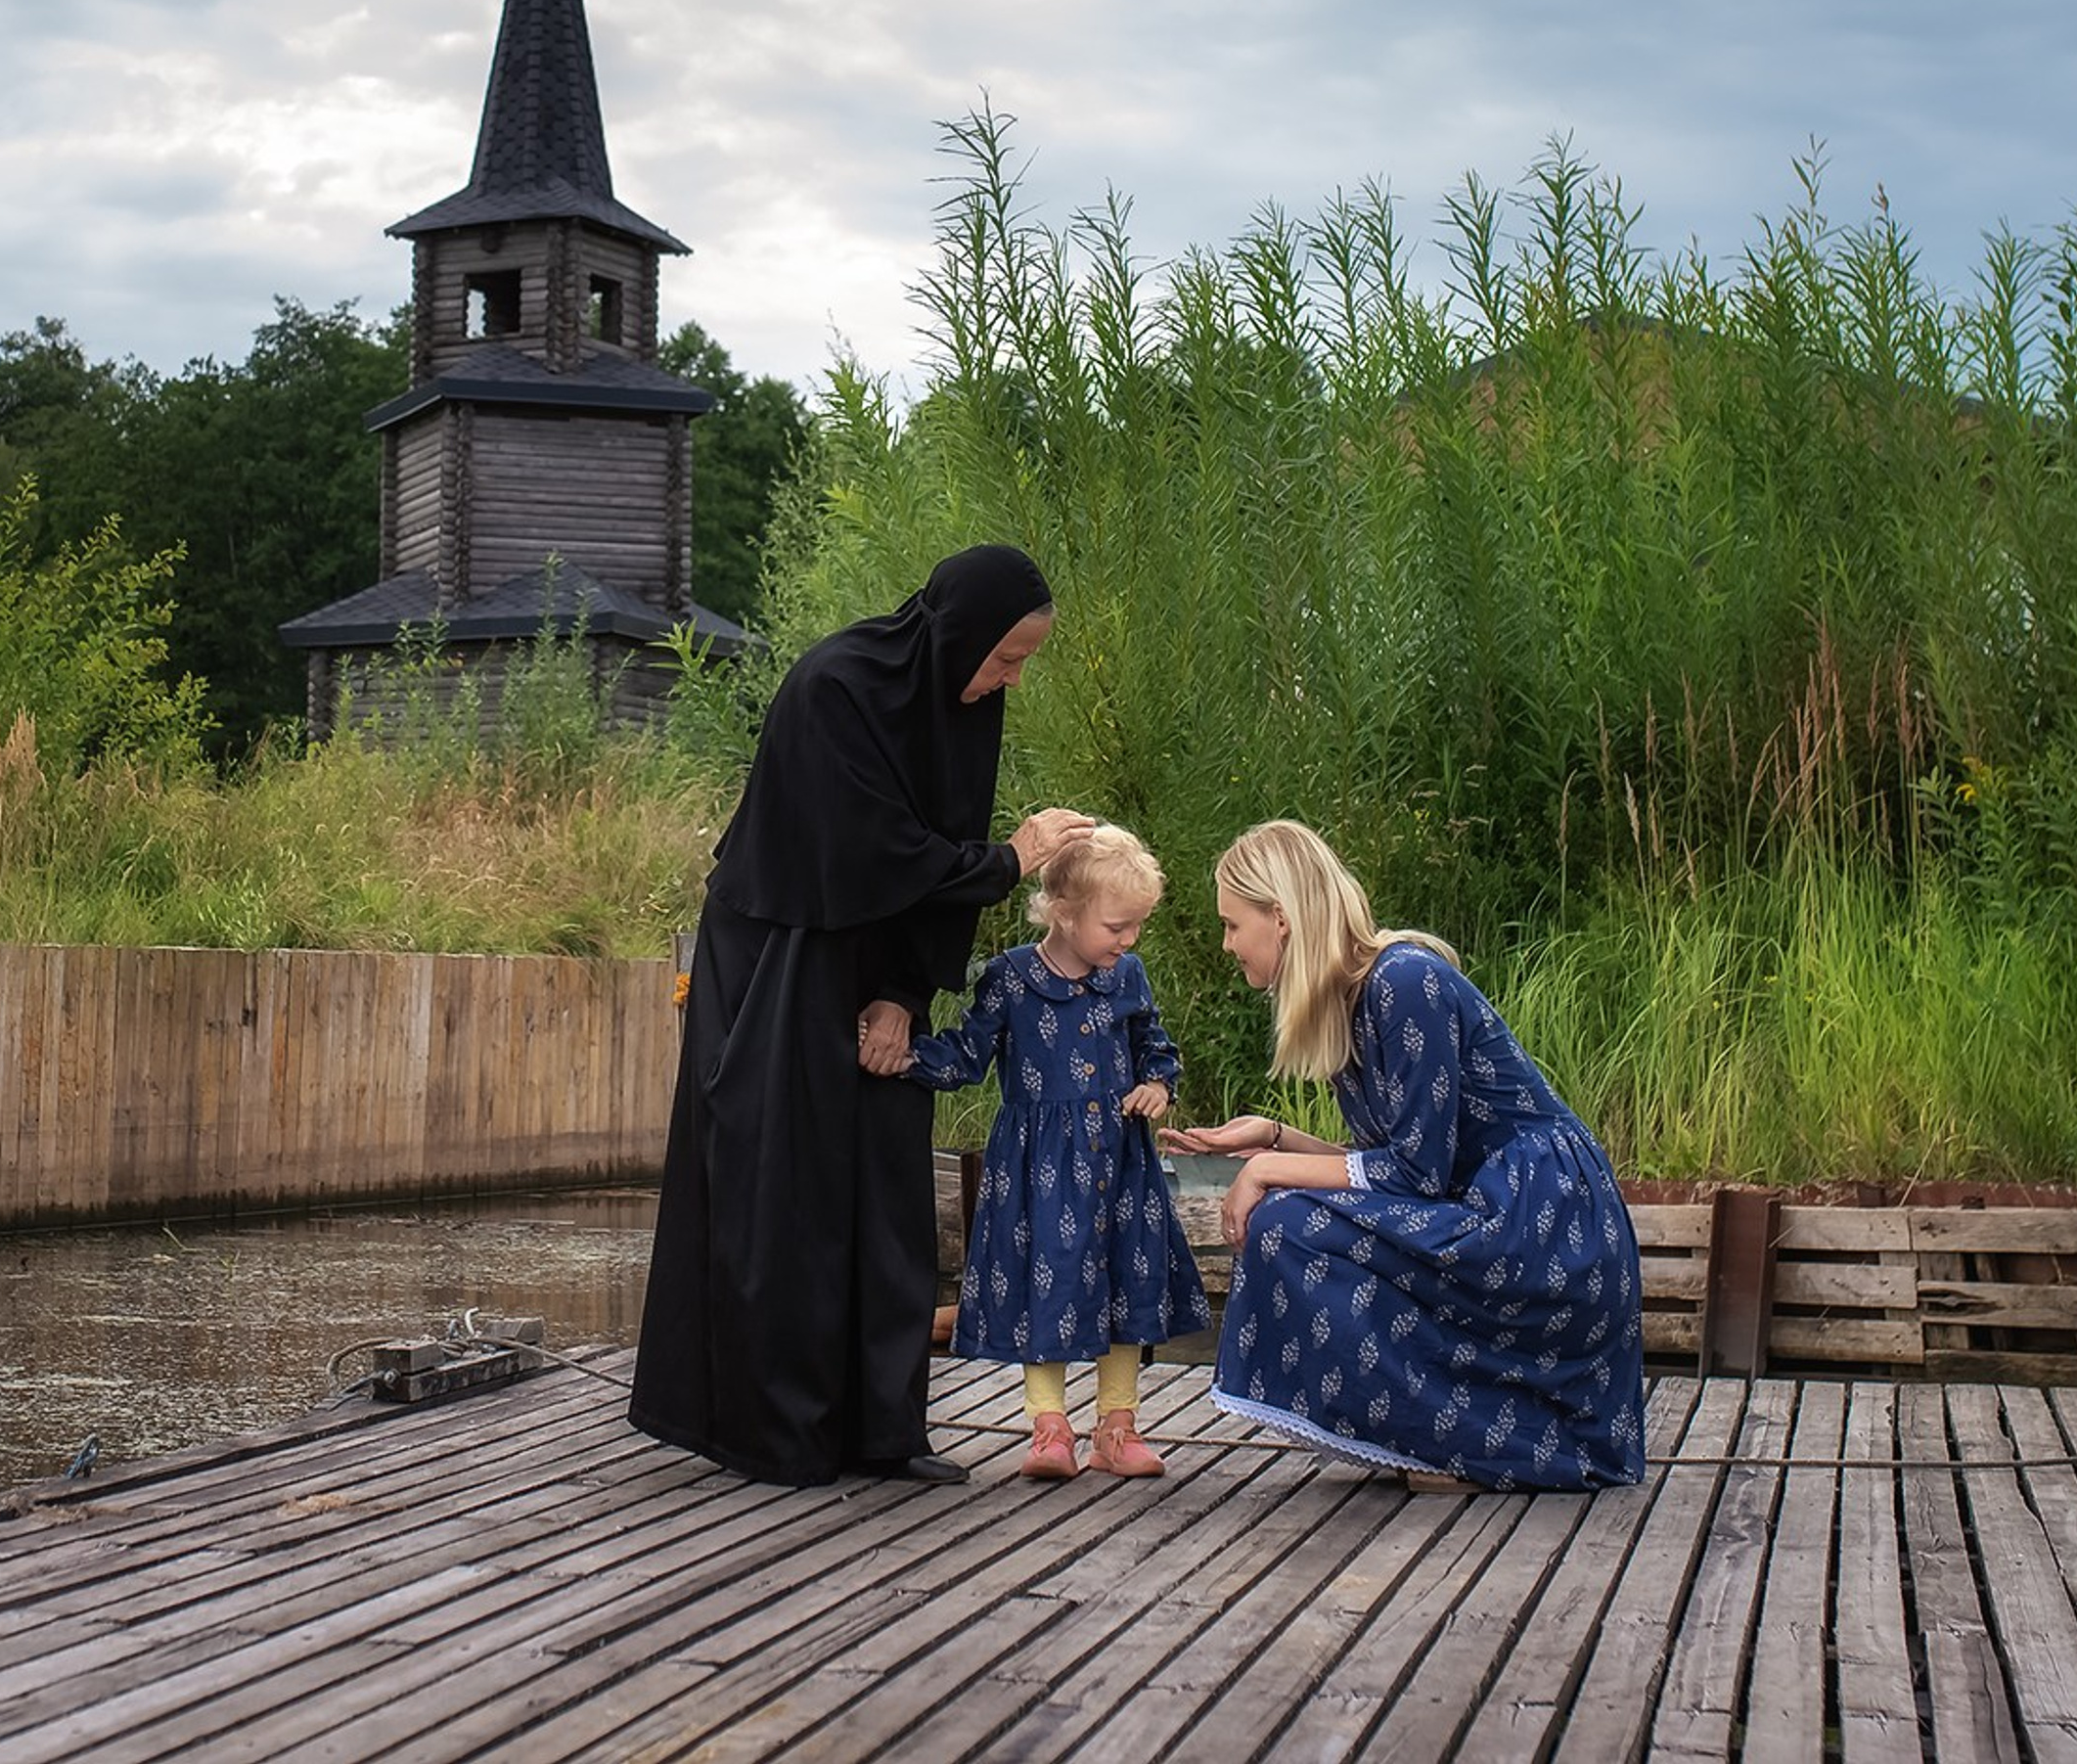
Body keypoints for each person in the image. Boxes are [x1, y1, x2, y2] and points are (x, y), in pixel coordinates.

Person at [628, 544, 1097, 1487]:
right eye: (1005, 657)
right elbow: (871, 852)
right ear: (959, 635)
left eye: (1021, 663)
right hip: (780, 960)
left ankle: (883, 1431)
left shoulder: (962, 706)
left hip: (875, 966)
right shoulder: (833, 689)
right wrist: (1011, 859)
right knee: (787, 1187)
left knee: (888, 1190)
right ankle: (778, 1430)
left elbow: (925, 859)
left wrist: (904, 996)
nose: (1009, 679)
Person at [1164, 819, 1644, 1491]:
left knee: (1284, 1221)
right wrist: (1273, 1137)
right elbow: (1393, 1171)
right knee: (1294, 1214)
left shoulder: (1403, 981)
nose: (1226, 944)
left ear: (1280, 918)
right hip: (1488, 1207)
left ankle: (1457, 1443)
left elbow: (1413, 1176)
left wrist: (1267, 1171)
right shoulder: (1350, 1002)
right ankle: (1445, 1438)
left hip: (1541, 1222)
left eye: (1231, 924)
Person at [890, 824, 1211, 1480]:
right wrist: (903, 1057)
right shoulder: (1011, 978)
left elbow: (1155, 1045)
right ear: (1063, 912)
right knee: (1050, 1277)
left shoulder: (1127, 977)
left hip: (1120, 1161)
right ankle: (1049, 1426)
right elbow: (968, 1053)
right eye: (1117, 926)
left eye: (1136, 927)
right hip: (1041, 1167)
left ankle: (1117, 1426)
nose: (1129, 940)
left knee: (1125, 1277)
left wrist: (1157, 1085)